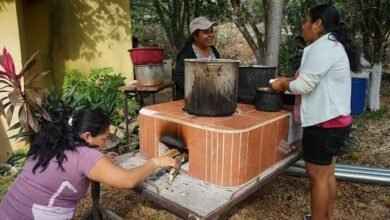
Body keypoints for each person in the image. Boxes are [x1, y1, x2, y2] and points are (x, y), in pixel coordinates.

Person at [270, 4, 360, 220]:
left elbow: (304, 85)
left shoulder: (323, 47)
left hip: (324, 126)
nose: (303, 26)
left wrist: (282, 84)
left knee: (317, 177)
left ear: (317, 23)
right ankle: (326, 217)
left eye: (306, 21)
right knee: (327, 174)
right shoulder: (332, 45)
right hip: (337, 123)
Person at [0, 110, 177, 219]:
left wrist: (99, 160)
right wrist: (156, 162)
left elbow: (69, 168)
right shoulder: (84, 155)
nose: (105, 144)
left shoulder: (55, 142)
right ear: (87, 136)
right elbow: (128, 180)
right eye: (104, 139)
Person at [173, 16, 221, 100]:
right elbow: (179, 78)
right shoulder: (185, 54)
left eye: (212, 31)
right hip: (192, 100)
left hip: (212, 97)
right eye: (206, 32)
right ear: (195, 36)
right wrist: (197, 91)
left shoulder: (213, 51)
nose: (211, 35)